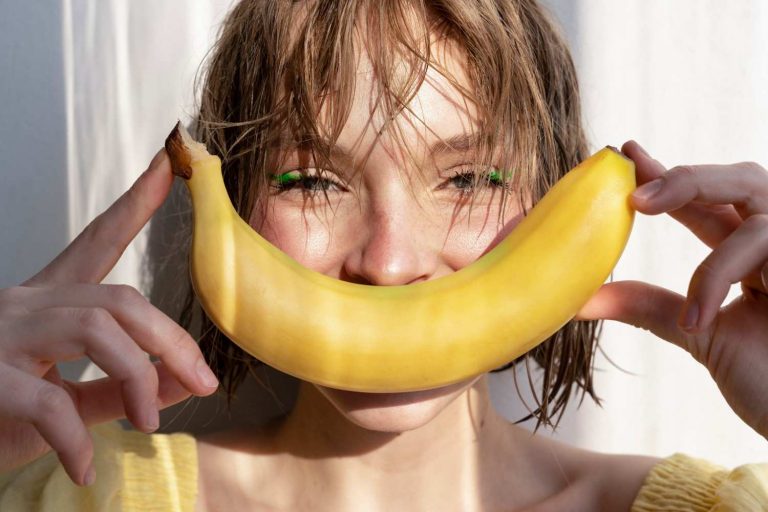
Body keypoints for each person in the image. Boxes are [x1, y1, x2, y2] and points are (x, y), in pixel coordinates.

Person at [1, 0, 767, 510]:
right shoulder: (75, 494)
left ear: (554, 209)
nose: (390, 261)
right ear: (231, 204)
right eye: (312, 180)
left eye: (469, 177)